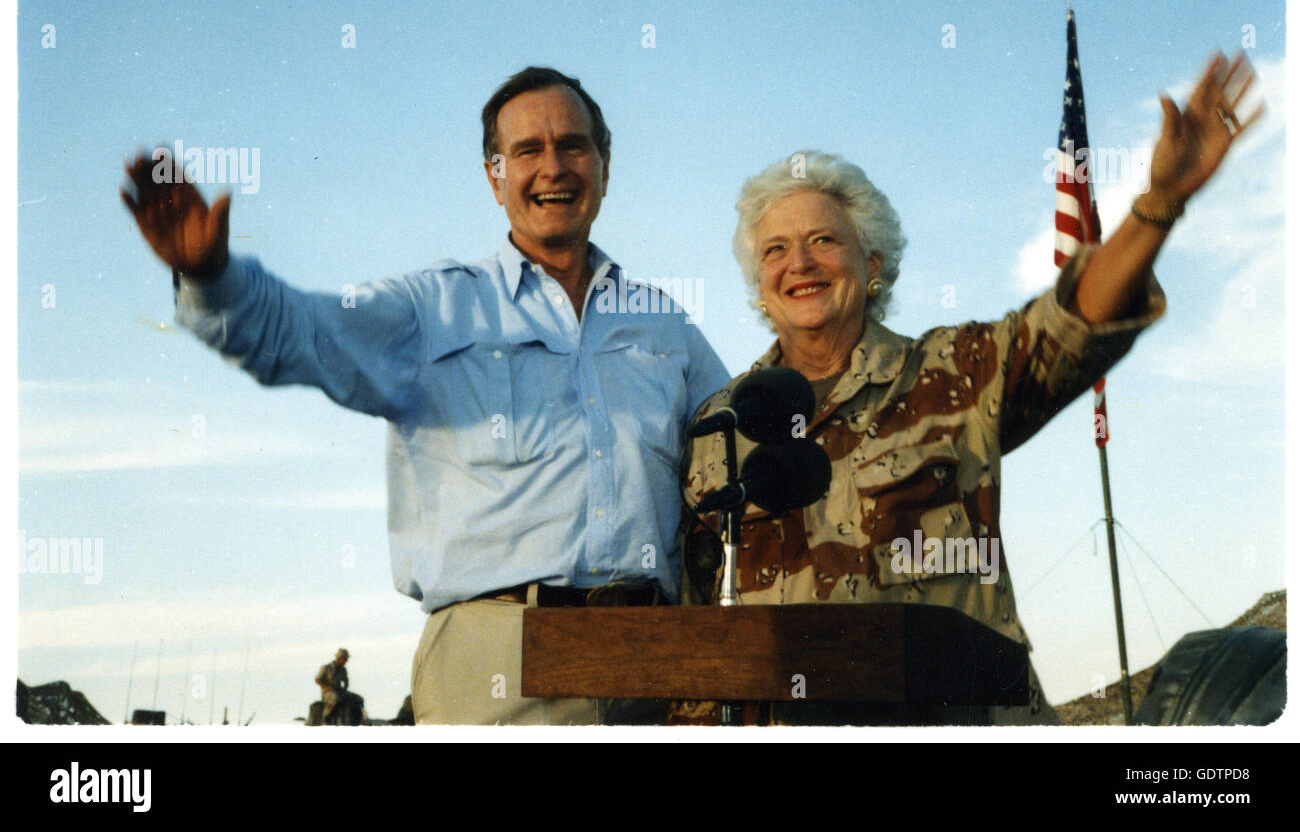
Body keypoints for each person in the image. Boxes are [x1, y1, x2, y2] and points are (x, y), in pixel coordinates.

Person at [121, 67, 730, 725]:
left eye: (573, 145)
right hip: (498, 669)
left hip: (654, 669)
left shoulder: (666, 326)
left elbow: (746, 448)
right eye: (527, 150)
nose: (553, 166)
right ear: (494, 177)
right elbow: (302, 332)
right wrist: (214, 279)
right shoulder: (432, 308)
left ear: (604, 167)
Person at [679, 52, 1259, 725]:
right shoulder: (720, 428)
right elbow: (694, 634)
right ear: (758, 284)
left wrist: (1159, 204)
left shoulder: (956, 369)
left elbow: (1075, 321)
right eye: (775, 250)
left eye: (821, 240)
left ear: (872, 264)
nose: (799, 263)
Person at [315, 648, 350, 723]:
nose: (346, 661)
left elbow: (346, 680)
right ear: (340, 658)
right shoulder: (326, 668)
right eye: (345, 659)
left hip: (339, 690)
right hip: (328, 693)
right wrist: (326, 687)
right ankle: (326, 718)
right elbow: (317, 679)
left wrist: (345, 688)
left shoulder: (343, 669)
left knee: (358, 699)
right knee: (334, 698)